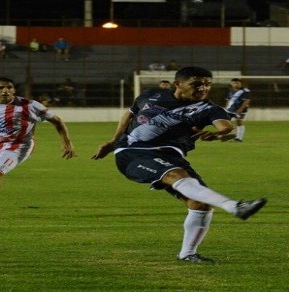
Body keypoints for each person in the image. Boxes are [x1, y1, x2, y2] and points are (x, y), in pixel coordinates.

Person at [91, 66, 266, 263]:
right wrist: (113, 141)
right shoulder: (151, 94)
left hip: (171, 156)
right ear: (178, 84)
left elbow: (227, 128)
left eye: (207, 84)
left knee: (200, 203)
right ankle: (234, 206)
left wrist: (218, 135)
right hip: (133, 152)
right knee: (177, 175)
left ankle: (188, 253)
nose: (203, 88)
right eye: (196, 84)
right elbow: (129, 114)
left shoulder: (209, 109)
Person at [0, 77, 75, 220]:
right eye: (0, 88)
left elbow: (57, 120)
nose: (5, 91)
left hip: (19, 145)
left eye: (9, 87)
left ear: (14, 90)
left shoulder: (30, 105)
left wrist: (66, 141)